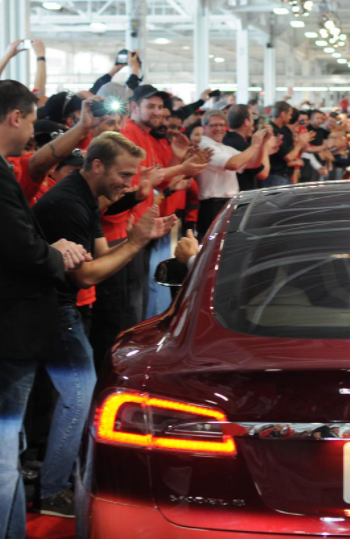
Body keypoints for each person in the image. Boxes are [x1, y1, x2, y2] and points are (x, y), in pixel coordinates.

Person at [33, 131, 176, 517]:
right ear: (97, 165)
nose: (129, 185)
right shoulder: (68, 203)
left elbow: (99, 255)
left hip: (62, 309)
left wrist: (138, 240)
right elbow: (85, 275)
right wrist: (136, 243)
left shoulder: (84, 197)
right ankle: (51, 490)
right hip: (52, 310)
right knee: (79, 397)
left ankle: (53, 477)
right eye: (124, 175)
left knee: (75, 396)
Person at [0, 79, 89, 539]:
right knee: (3, 459)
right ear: (16, 116)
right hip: (10, 329)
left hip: (15, 327)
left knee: (8, 455)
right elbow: (19, 248)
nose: (32, 132)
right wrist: (57, 254)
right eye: (31, 121)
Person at [197, 109, 273, 235]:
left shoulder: (224, 148)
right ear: (204, 127)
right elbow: (233, 164)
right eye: (214, 125)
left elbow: (253, 164)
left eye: (221, 125)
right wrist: (254, 145)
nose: (219, 129)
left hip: (227, 202)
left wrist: (263, 143)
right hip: (213, 205)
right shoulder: (204, 146)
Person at [223, 104, 273, 191]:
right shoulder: (242, 145)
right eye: (252, 118)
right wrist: (265, 146)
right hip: (242, 193)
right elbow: (263, 173)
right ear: (246, 122)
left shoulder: (224, 139)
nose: (254, 125)